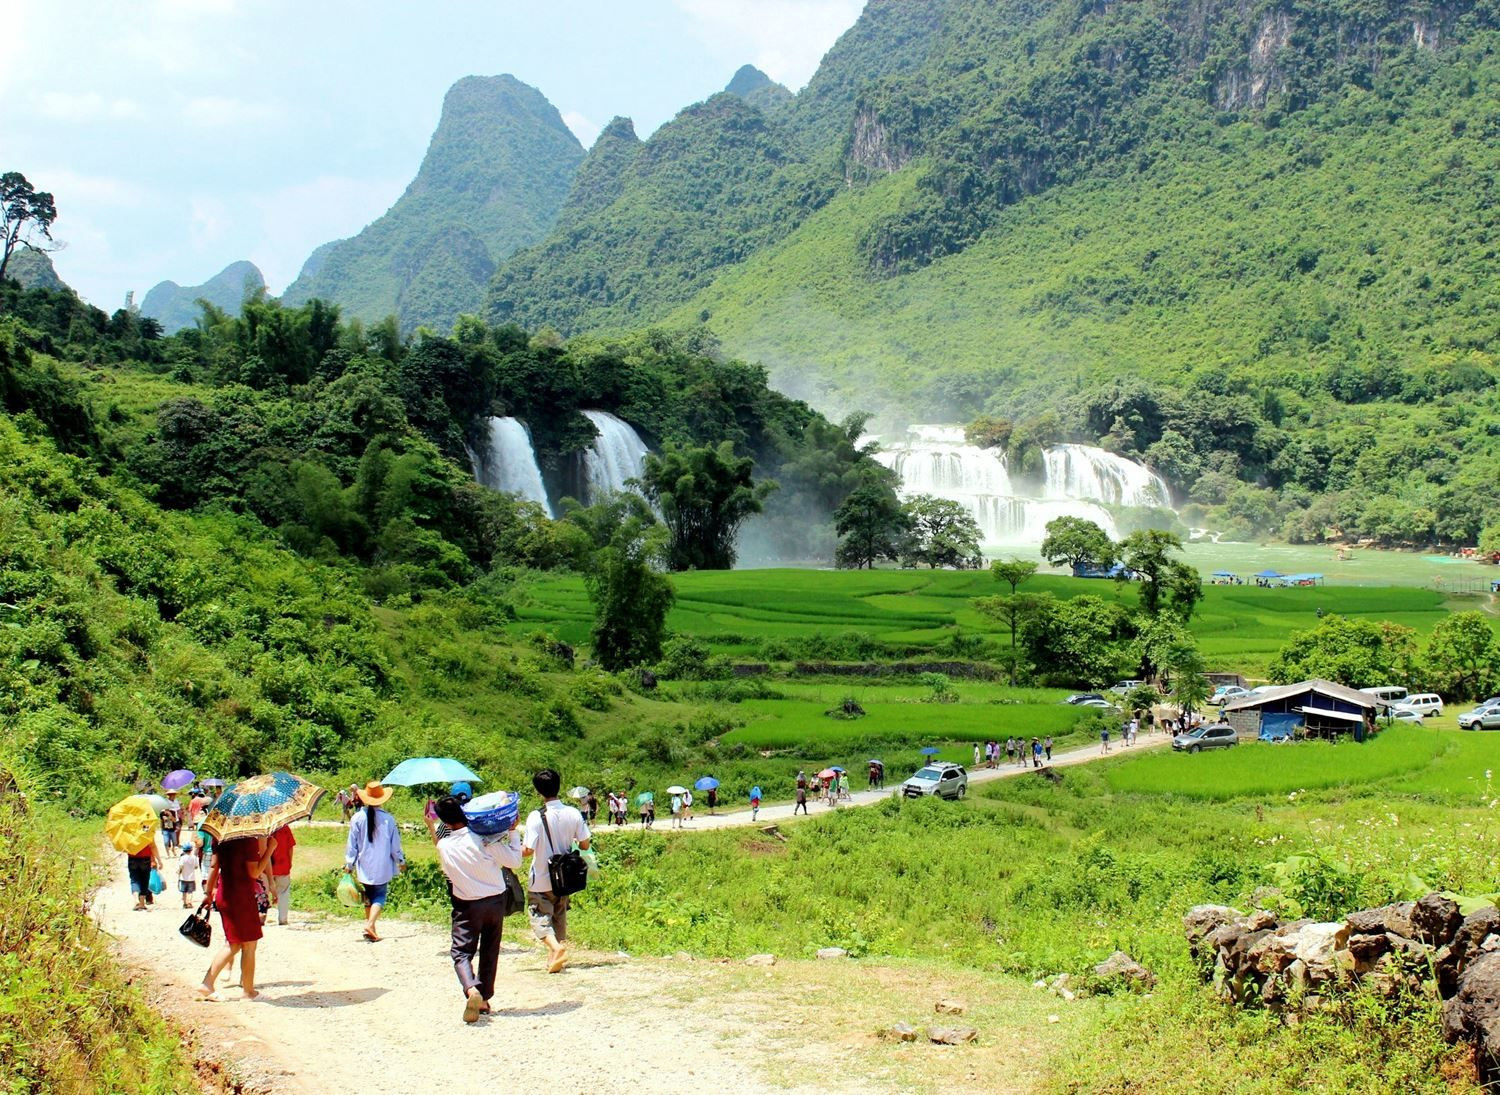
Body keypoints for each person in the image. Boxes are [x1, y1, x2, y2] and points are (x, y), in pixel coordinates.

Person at [433, 795, 523, 1023]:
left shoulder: (443, 845)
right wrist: (513, 832)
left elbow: (448, 874)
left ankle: (471, 989)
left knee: (461, 952)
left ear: (444, 822)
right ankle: (483, 999)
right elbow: (515, 861)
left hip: (467, 905)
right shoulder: (484, 840)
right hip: (495, 901)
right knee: (490, 949)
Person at [522, 769, 591, 975]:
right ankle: (555, 957)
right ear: (559, 786)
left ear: (538, 791)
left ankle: (555, 948)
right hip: (564, 878)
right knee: (559, 914)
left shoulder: (536, 817)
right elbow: (585, 844)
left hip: (542, 877)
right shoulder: (573, 813)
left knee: (538, 914)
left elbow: (528, 850)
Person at [198, 834, 276, 1000]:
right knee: (238, 944)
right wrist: (270, 849)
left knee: (243, 943)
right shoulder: (247, 840)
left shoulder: (220, 837)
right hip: (241, 897)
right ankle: (211, 984)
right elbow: (254, 872)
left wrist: (208, 892)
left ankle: (247, 989)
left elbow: (214, 866)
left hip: (225, 894)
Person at [344, 781, 405, 942]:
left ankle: (371, 929)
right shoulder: (388, 819)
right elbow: (395, 846)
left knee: (368, 896)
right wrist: (401, 860)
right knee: (379, 896)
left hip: (364, 864)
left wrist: (349, 864)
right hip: (382, 864)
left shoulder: (357, 818)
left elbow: (352, 844)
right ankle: (370, 925)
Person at [268, 824, 295, 926]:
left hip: (266, 867)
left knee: (264, 892)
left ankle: (261, 916)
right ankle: (283, 919)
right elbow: (290, 847)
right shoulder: (285, 828)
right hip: (283, 866)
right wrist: (289, 862)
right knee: (283, 892)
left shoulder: (265, 828)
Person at [127, 839, 160, 912]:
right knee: (145, 880)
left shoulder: (128, 833)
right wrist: (159, 860)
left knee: (134, 880)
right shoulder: (147, 833)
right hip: (145, 859)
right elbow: (153, 846)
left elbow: (125, 846)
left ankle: (136, 900)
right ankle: (142, 903)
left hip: (132, 858)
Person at [177, 842, 200, 908]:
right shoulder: (194, 857)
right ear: (191, 850)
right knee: (190, 891)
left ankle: (185, 903)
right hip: (191, 878)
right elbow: (196, 867)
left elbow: (181, 866)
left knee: (184, 892)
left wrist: (179, 872)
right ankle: (189, 903)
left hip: (183, 878)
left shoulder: (182, 858)